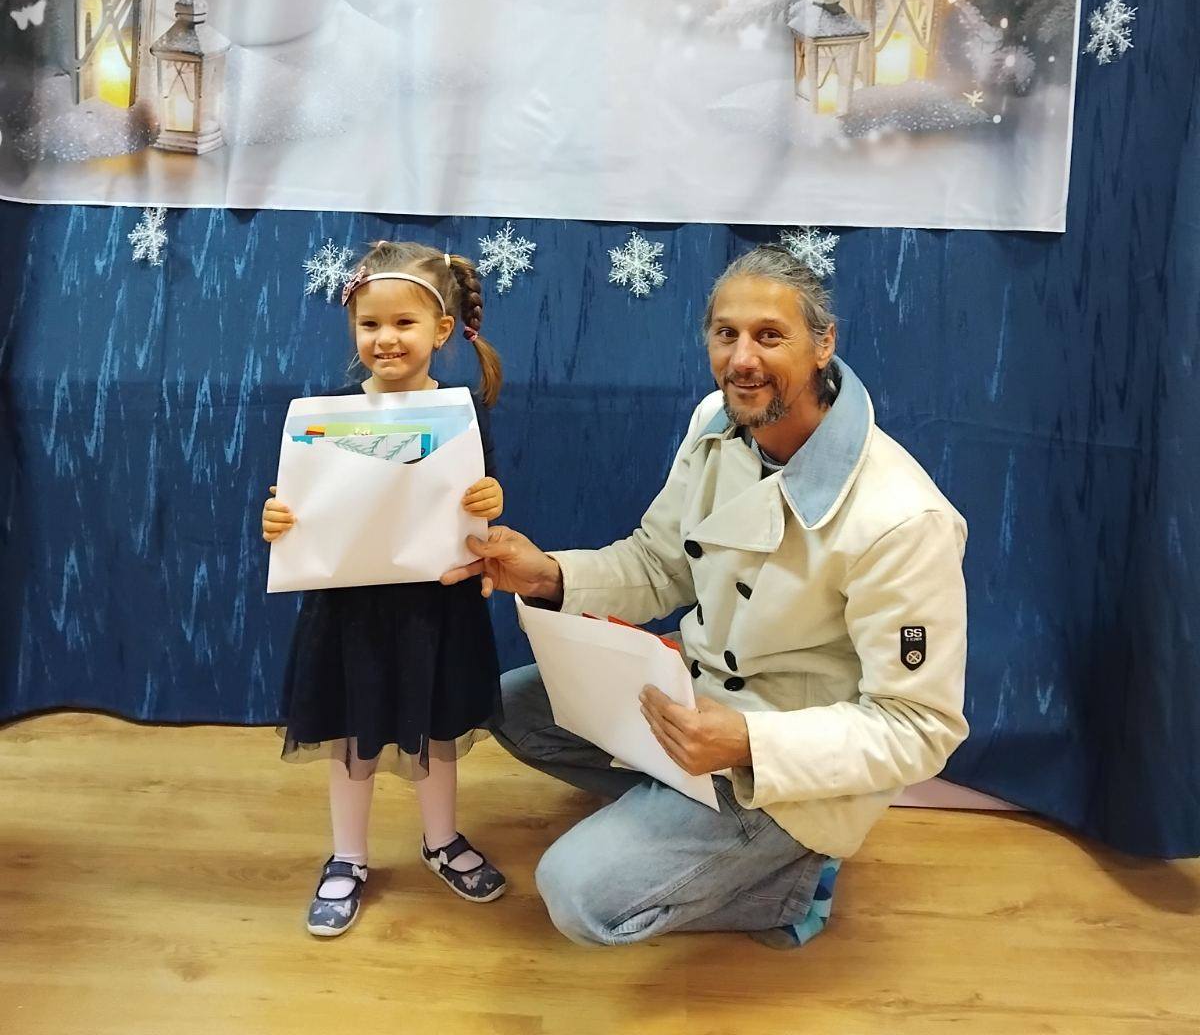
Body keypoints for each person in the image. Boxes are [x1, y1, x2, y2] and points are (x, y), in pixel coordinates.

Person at [442, 244, 969, 948]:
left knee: (576, 896)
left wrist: (747, 741)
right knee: (506, 705)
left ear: (823, 344)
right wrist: (548, 575)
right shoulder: (715, 422)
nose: (742, 359)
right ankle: (690, 826)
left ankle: (786, 886)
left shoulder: (903, 518)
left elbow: (919, 727)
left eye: (769, 335)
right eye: (727, 334)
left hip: (782, 758)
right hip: (694, 697)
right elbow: (660, 563)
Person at [263, 239, 508, 937]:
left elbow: (477, 494)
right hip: (352, 609)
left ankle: (441, 840)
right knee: (353, 734)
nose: (386, 338)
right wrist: (277, 517)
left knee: (436, 728)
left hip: (435, 605)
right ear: (353, 328)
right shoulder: (329, 415)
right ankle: (347, 855)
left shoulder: (461, 413)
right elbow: (298, 503)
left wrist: (491, 499)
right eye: (370, 324)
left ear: (441, 329)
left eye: (404, 322)